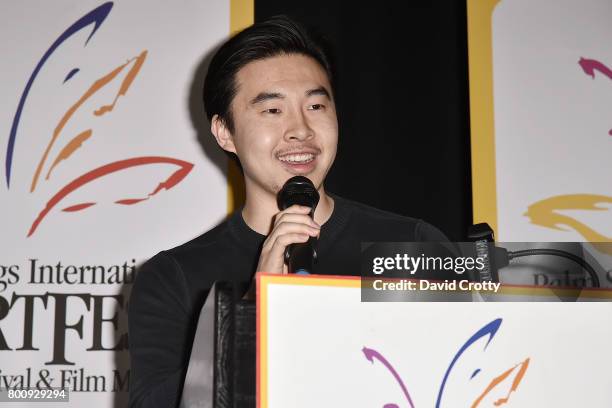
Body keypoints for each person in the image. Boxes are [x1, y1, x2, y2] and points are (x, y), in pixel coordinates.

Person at [127, 15, 448, 407]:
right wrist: (250, 312)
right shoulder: (173, 278)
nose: (301, 129)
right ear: (224, 132)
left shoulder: (411, 244)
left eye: (315, 105)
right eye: (273, 111)